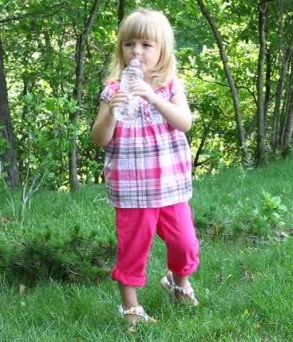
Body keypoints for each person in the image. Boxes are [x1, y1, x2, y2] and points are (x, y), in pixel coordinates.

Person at [91, 8, 200, 329]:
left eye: (146, 45)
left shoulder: (169, 87)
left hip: (171, 186)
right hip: (131, 189)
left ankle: (179, 284)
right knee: (133, 249)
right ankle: (131, 308)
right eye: (129, 44)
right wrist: (111, 112)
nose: (136, 52)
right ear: (120, 49)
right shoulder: (113, 90)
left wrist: (153, 98)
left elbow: (185, 122)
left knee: (185, 243)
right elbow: (99, 138)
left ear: (162, 50)